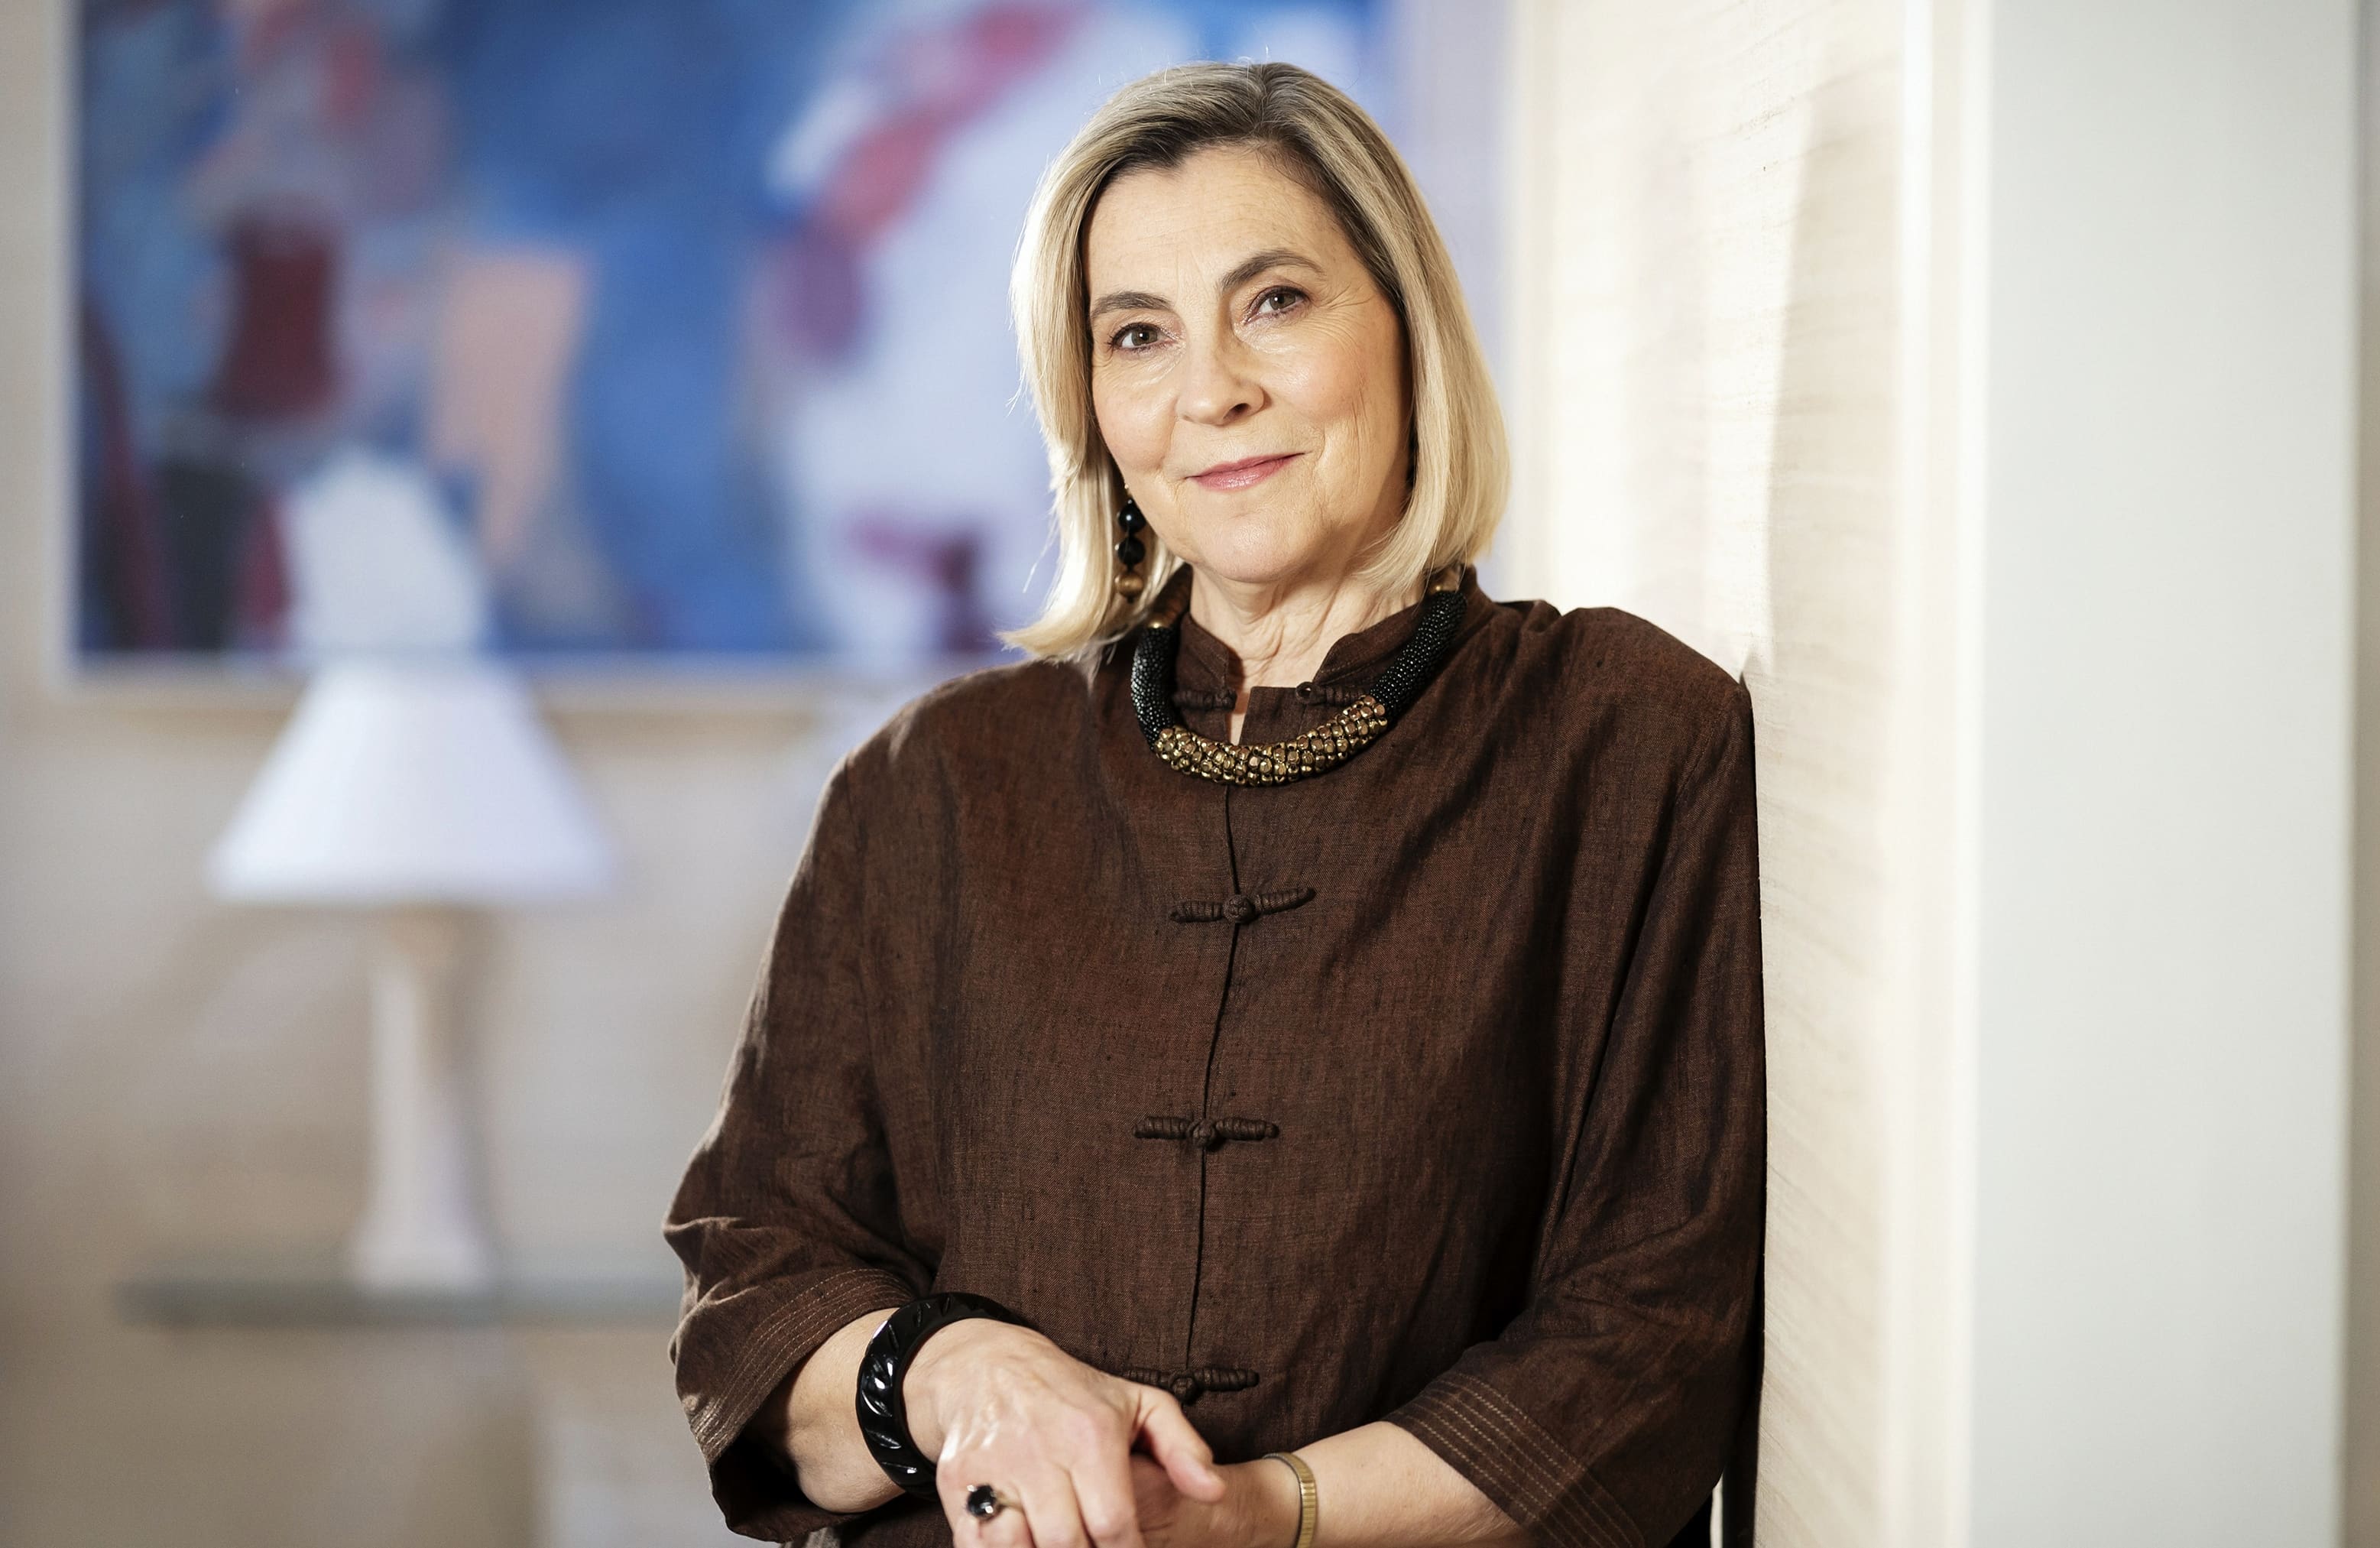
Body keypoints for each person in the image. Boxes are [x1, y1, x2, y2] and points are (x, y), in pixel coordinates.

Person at [666, 60, 1764, 1548]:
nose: (1211, 392)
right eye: (1138, 334)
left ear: (1407, 327)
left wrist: (1256, 1511)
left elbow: (1654, 1325)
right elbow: (754, 1272)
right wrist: (952, 1371)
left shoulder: (1626, 738)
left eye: (1277, 302)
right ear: (1090, 403)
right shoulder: (929, 786)